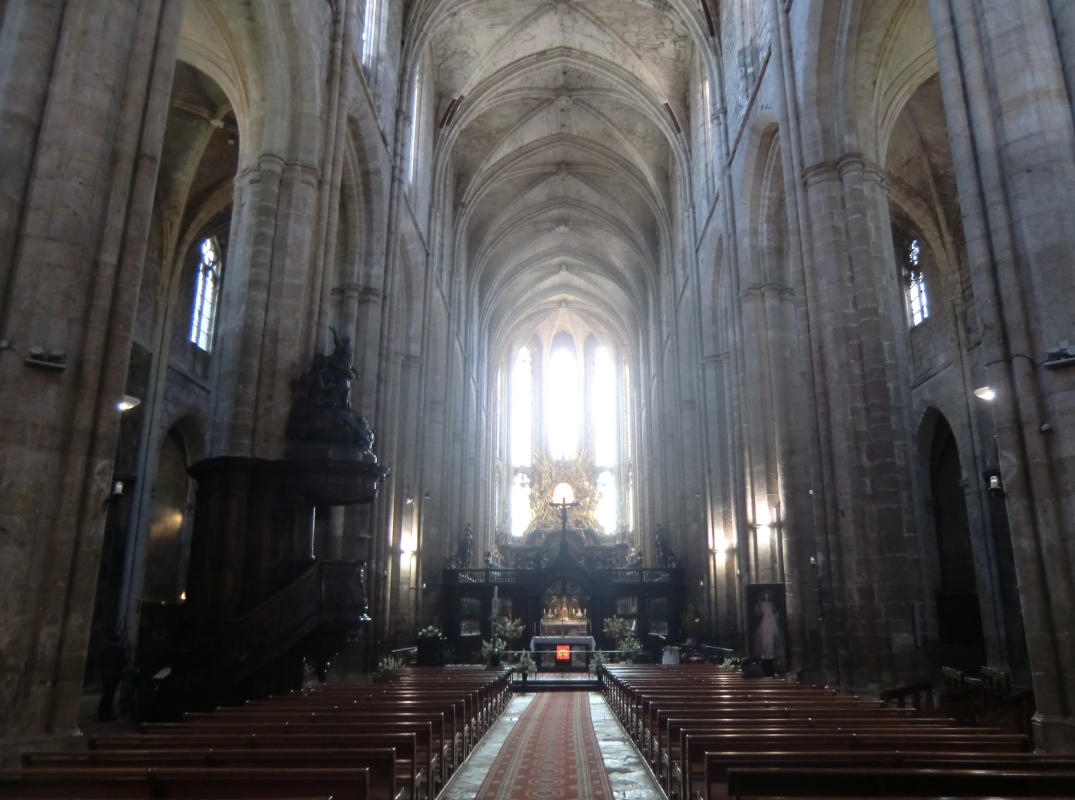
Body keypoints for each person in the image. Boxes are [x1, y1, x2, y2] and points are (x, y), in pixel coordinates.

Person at [97, 633, 126, 721]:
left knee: (106, 695)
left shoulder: (106, 648)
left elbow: (101, 661)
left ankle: (102, 713)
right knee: (110, 695)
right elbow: (123, 661)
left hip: (106, 674)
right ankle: (107, 714)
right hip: (114, 674)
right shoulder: (119, 649)